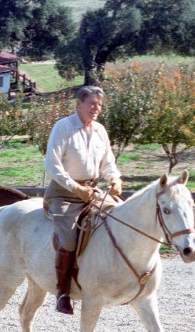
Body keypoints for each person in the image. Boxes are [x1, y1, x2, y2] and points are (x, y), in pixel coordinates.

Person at [44, 85, 123, 315]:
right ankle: (62, 293)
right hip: (64, 193)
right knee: (68, 239)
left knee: (118, 220)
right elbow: (53, 164)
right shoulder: (63, 127)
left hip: (91, 191)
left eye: (99, 105)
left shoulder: (99, 130)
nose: (96, 108)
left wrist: (115, 179)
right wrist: (75, 188)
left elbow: (108, 163)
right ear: (78, 104)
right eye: (91, 104)